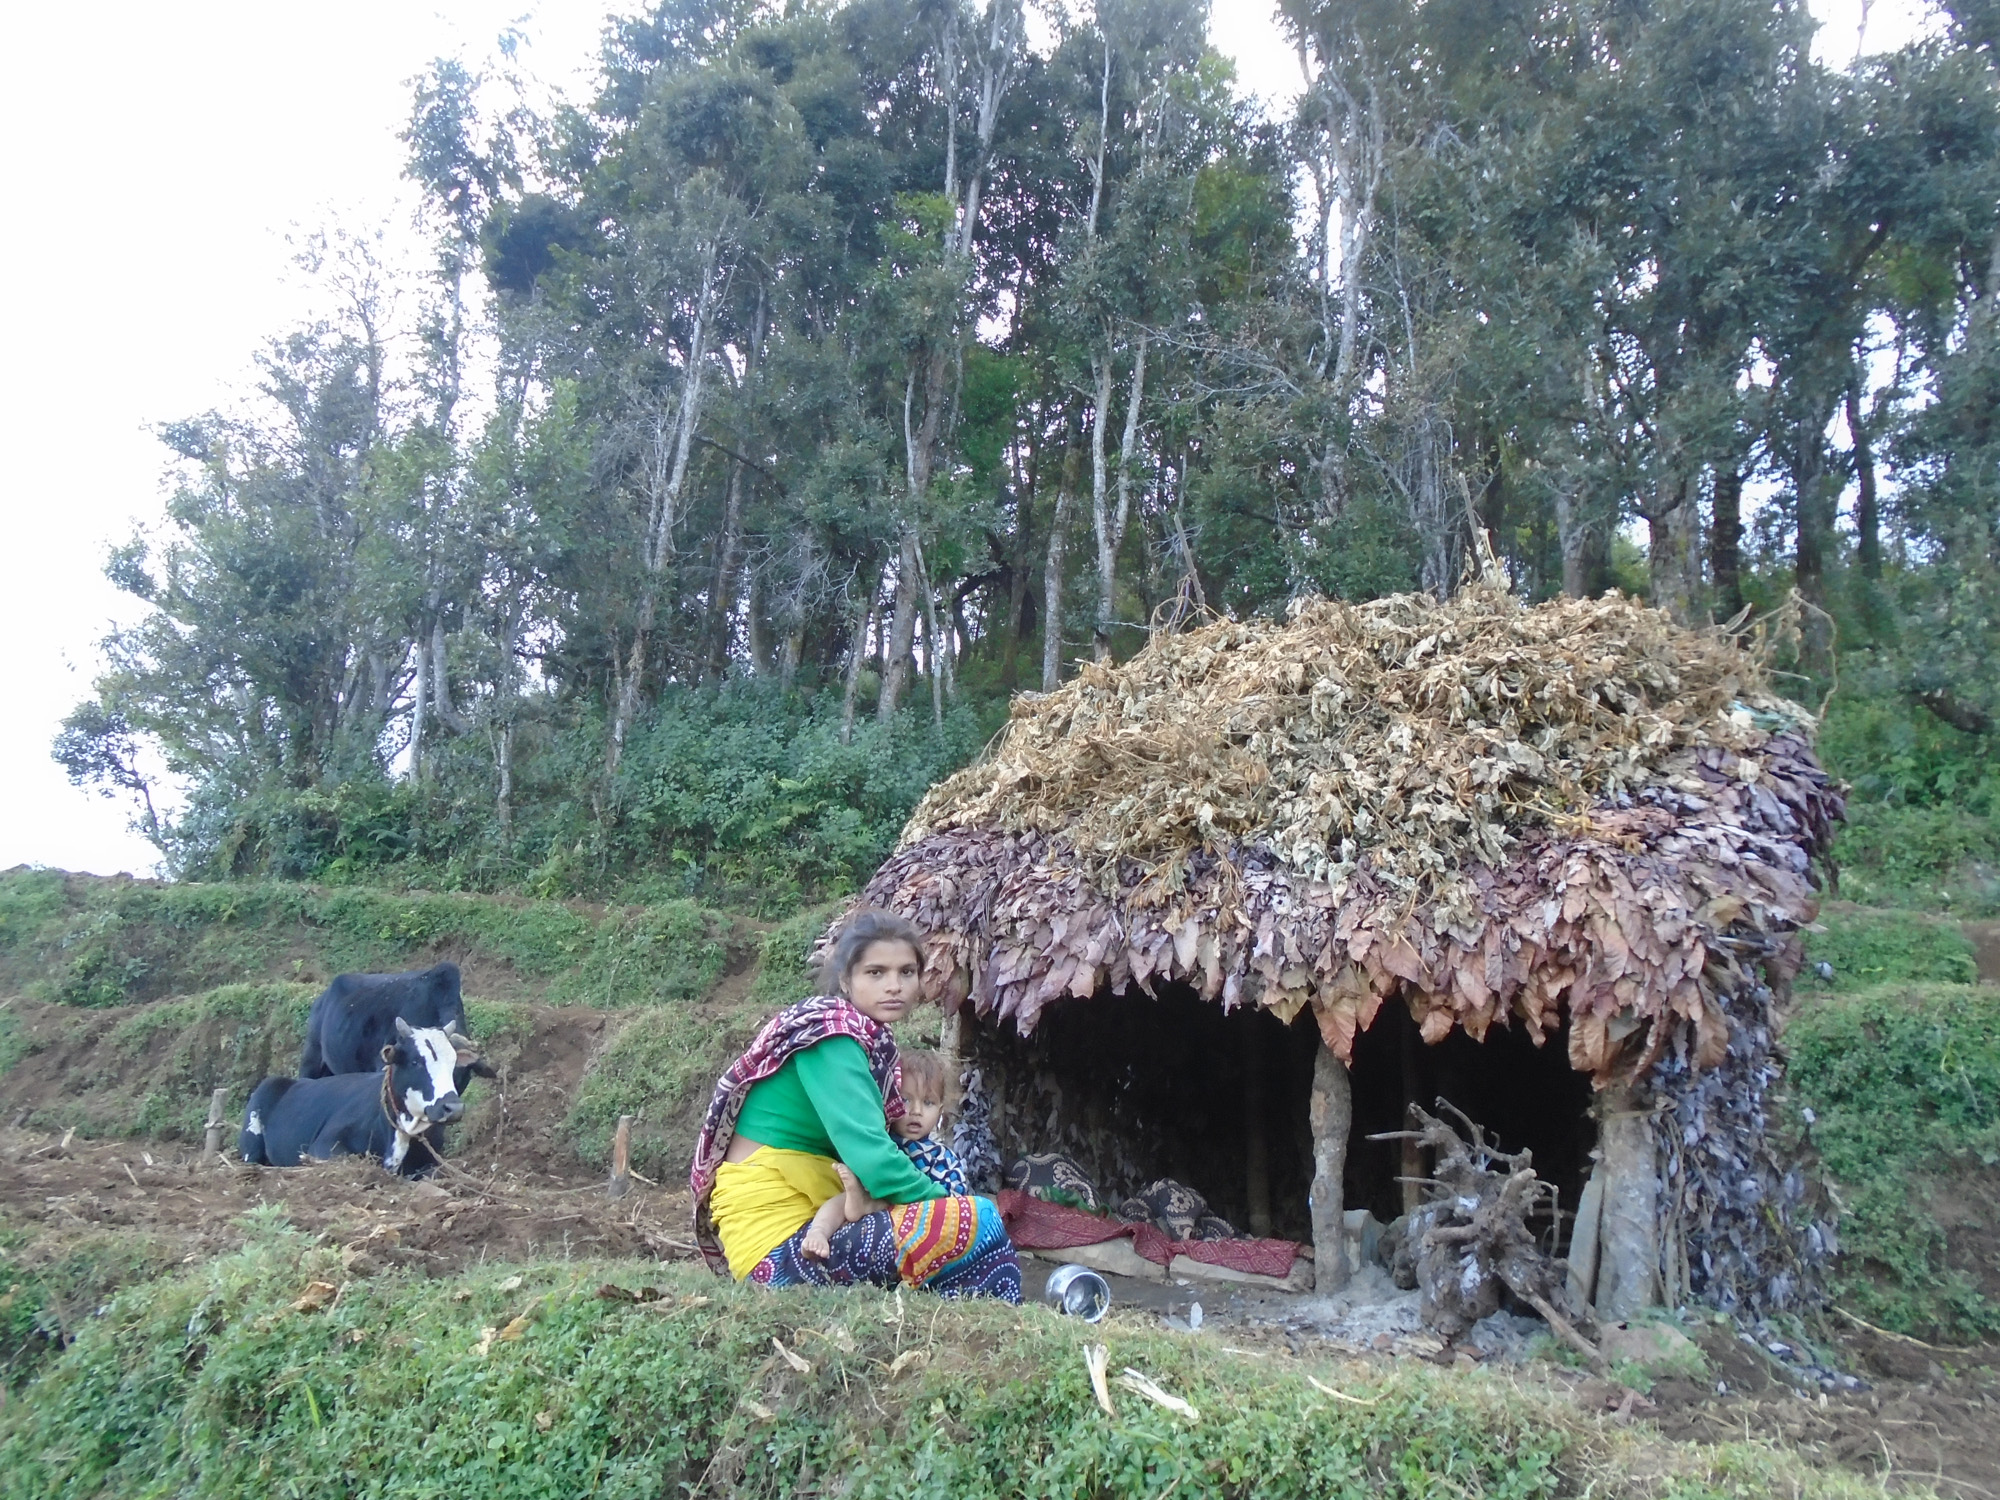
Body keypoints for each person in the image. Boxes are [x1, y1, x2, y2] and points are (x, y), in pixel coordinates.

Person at [689, 909, 1021, 1301]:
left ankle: (981, 1321)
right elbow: (874, 1162)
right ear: (846, 980)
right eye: (875, 973)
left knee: (978, 1238)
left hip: (813, 1225)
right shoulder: (832, 1039)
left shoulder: (863, 1041)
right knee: (976, 1219)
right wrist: (947, 1202)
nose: (894, 986)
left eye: (906, 972)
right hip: (779, 1249)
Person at [798, 1047, 967, 1259]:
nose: (916, 1111)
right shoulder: (877, 1143)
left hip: (913, 1225)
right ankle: (818, 1232)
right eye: (905, 1100)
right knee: (840, 1200)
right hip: (865, 1219)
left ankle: (867, 1205)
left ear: (940, 1110)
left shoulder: (942, 1158)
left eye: (928, 1102)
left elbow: (957, 1202)